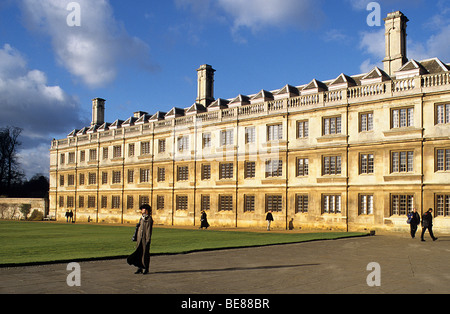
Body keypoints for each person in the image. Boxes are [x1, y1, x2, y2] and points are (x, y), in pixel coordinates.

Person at [127, 204, 153, 274]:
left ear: (147, 210)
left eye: (143, 209)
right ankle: (140, 268)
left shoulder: (149, 219)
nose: (142, 211)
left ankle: (146, 268)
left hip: (145, 239)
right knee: (139, 253)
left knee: (145, 254)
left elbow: (148, 230)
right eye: (142, 209)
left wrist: (148, 240)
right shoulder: (141, 218)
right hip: (139, 239)